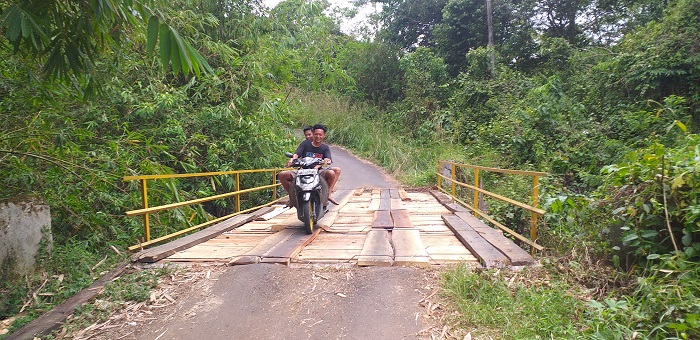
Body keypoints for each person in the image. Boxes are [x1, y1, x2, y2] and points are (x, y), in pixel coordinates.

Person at [278, 124, 340, 205]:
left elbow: (327, 159)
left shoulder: (325, 148)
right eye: (316, 134)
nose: (318, 136)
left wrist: (326, 161)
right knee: (282, 175)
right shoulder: (305, 144)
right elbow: (297, 154)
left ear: (324, 136)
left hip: (318, 171)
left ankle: (328, 194)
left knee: (331, 173)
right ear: (313, 134)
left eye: (320, 134)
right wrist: (291, 160)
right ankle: (292, 196)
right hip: (303, 171)